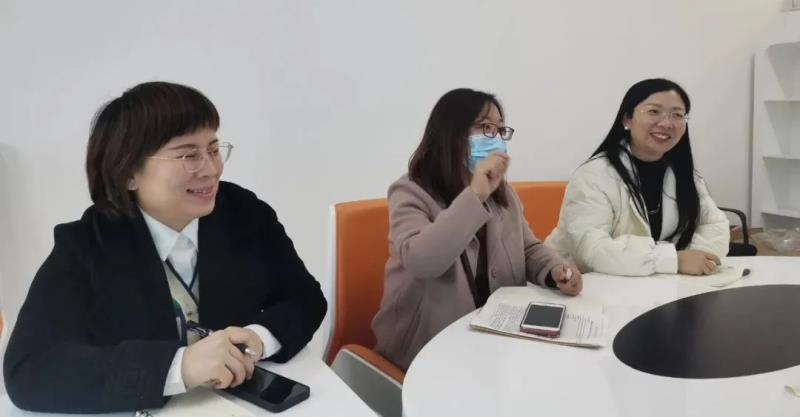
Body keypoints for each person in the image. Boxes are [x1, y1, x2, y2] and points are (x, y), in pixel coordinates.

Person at [3, 82, 327, 413]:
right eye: (189, 155)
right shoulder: (86, 245)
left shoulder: (243, 212)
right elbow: (28, 372)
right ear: (128, 172)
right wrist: (179, 367)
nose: (211, 169)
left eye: (214, 149)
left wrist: (257, 338)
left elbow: (305, 298)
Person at [371, 88, 582, 371]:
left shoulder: (502, 192)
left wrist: (554, 270)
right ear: (451, 133)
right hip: (426, 351)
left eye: (499, 129)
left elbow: (528, 248)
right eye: (485, 127)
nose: (495, 138)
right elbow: (421, 261)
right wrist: (475, 195)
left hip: (495, 338)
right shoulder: (411, 190)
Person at [545, 78, 729, 277]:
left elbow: (715, 225)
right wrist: (673, 260)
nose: (667, 123)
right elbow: (592, 249)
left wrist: (696, 258)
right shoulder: (593, 175)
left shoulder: (684, 174)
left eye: (677, 115)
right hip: (581, 283)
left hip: (657, 283)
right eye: (653, 111)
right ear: (627, 119)